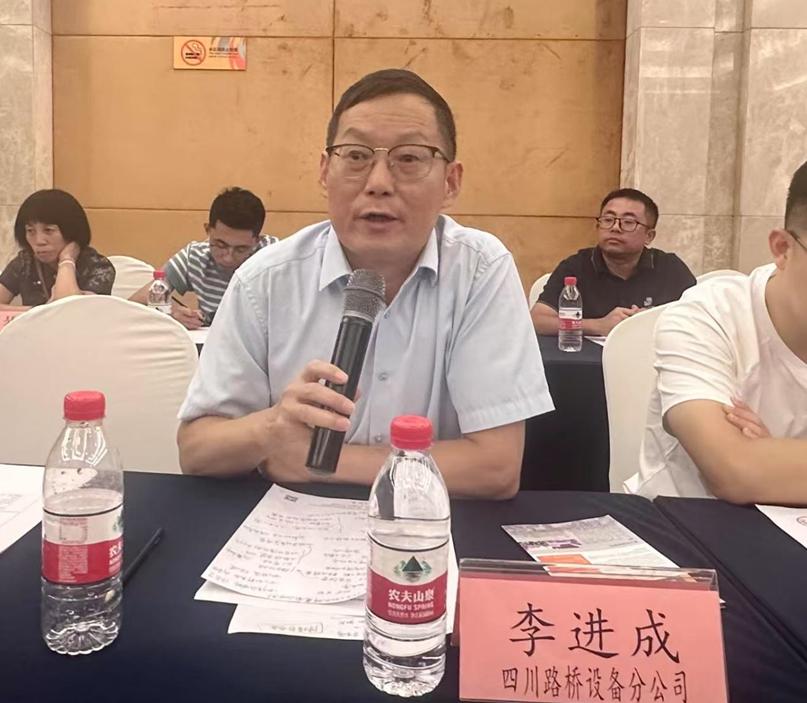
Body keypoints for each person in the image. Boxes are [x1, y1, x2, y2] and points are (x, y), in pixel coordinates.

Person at [177, 68, 553, 498]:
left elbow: (497, 468)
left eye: (409, 158)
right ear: (324, 172)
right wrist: (272, 426)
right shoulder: (264, 280)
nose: (378, 184)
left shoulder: (480, 270)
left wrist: (320, 462)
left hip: (430, 526)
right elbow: (196, 451)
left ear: (450, 183)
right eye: (356, 156)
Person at [627, 160, 807, 503]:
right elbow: (735, 471)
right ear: (783, 249)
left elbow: (755, 471)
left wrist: (776, 462)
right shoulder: (709, 316)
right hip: (686, 521)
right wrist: (761, 465)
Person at [532, 188, 695, 336]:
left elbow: (699, 319)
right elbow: (538, 320)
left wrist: (651, 320)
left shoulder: (670, 268)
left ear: (649, 236)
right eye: (608, 219)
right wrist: (597, 325)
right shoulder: (576, 266)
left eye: (628, 222)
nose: (615, 228)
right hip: (587, 358)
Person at [130, 187, 275, 328]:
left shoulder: (274, 258)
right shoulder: (194, 257)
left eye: (241, 249)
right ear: (208, 230)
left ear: (257, 240)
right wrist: (170, 310)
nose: (228, 258)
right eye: (220, 245)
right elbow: (136, 301)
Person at [0, 189, 115, 310]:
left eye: (48, 230)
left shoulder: (98, 267)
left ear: (70, 231)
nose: (39, 241)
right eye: (30, 231)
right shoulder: (25, 262)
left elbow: (70, 310)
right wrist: (34, 311)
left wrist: (67, 260)